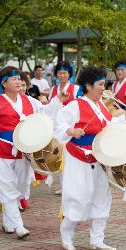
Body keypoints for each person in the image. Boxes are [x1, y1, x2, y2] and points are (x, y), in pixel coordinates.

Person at [0, 66, 67, 239]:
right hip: (2, 151)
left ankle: (7, 221)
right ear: (3, 83)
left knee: (21, 186)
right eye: (13, 79)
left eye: (19, 78)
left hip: (23, 151)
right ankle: (18, 225)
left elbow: (44, 112)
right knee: (7, 187)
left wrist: (56, 101)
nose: (18, 82)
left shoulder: (28, 101)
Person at [54, 66, 119, 250]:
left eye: (104, 84)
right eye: (100, 84)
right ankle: (67, 235)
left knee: (102, 197)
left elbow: (109, 128)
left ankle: (97, 240)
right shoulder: (75, 105)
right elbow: (59, 124)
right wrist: (71, 131)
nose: (103, 88)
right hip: (78, 157)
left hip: (99, 159)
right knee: (79, 197)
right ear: (89, 86)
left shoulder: (102, 107)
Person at [49, 61, 80, 195]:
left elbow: (80, 106)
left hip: (71, 126)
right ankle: (63, 186)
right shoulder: (53, 89)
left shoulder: (76, 89)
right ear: (56, 74)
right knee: (59, 155)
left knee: (71, 155)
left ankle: (74, 185)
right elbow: (50, 107)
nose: (62, 75)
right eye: (60, 73)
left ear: (69, 74)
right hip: (57, 126)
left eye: (65, 73)